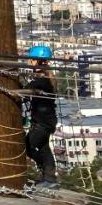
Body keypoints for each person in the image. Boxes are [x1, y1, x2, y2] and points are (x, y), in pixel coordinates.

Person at [25, 45, 58, 187]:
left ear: (36, 61)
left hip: (42, 123)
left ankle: (46, 172)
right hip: (47, 122)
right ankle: (49, 178)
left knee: (27, 147)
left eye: (30, 59)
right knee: (44, 147)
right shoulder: (46, 78)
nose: (28, 62)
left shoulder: (41, 81)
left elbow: (25, 90)